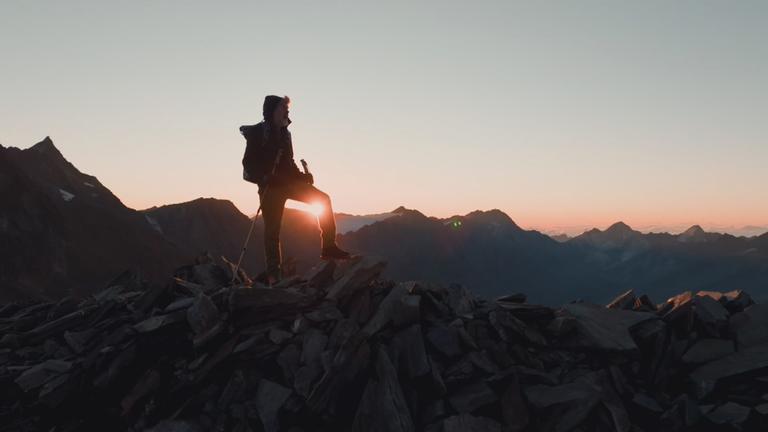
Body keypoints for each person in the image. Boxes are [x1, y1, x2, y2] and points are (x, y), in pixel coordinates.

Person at [240, 95, 351, 284]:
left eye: (287, 108)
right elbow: (248, 164)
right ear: (272, 111)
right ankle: (274, 274)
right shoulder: (258, 133)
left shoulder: (285, 133)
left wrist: (301, 176)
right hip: (270, 187)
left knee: (323, 199)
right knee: (272, 232)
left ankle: (329, 246)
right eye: (283, 108)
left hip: (285, 183)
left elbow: (289, 162)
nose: (287, 111)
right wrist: (266, 178)